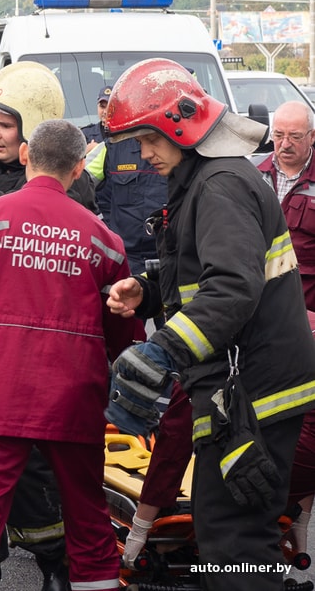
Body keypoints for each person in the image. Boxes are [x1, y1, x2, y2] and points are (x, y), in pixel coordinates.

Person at [104, 58, 315, 591]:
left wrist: (163, 350)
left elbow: (233, 287)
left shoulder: (220, 185)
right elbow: (209, 275)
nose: (143, 154)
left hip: (254, 395)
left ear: (182, 124)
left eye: (148, 139)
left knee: (234, 542)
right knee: (228, 535)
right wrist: (150, 291)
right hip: (246, 391)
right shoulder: (210, 179)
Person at [0, 118, 135, 591]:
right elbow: (123, 324)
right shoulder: (104, 240)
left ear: (25, 156)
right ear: (79, 169)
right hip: (74, 397)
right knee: (87, 516)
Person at [82, 84, 168, 274]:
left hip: (170, 258)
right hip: (126, 261)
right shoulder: (110, 147)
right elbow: (77, 185)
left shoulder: (180, 148)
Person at [257, 100, 315, 303]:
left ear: (312, 136)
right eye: (279, 135)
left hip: (306, 301)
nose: (285, 144)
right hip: (257, 294)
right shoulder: (251, 173)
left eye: (295, 136)